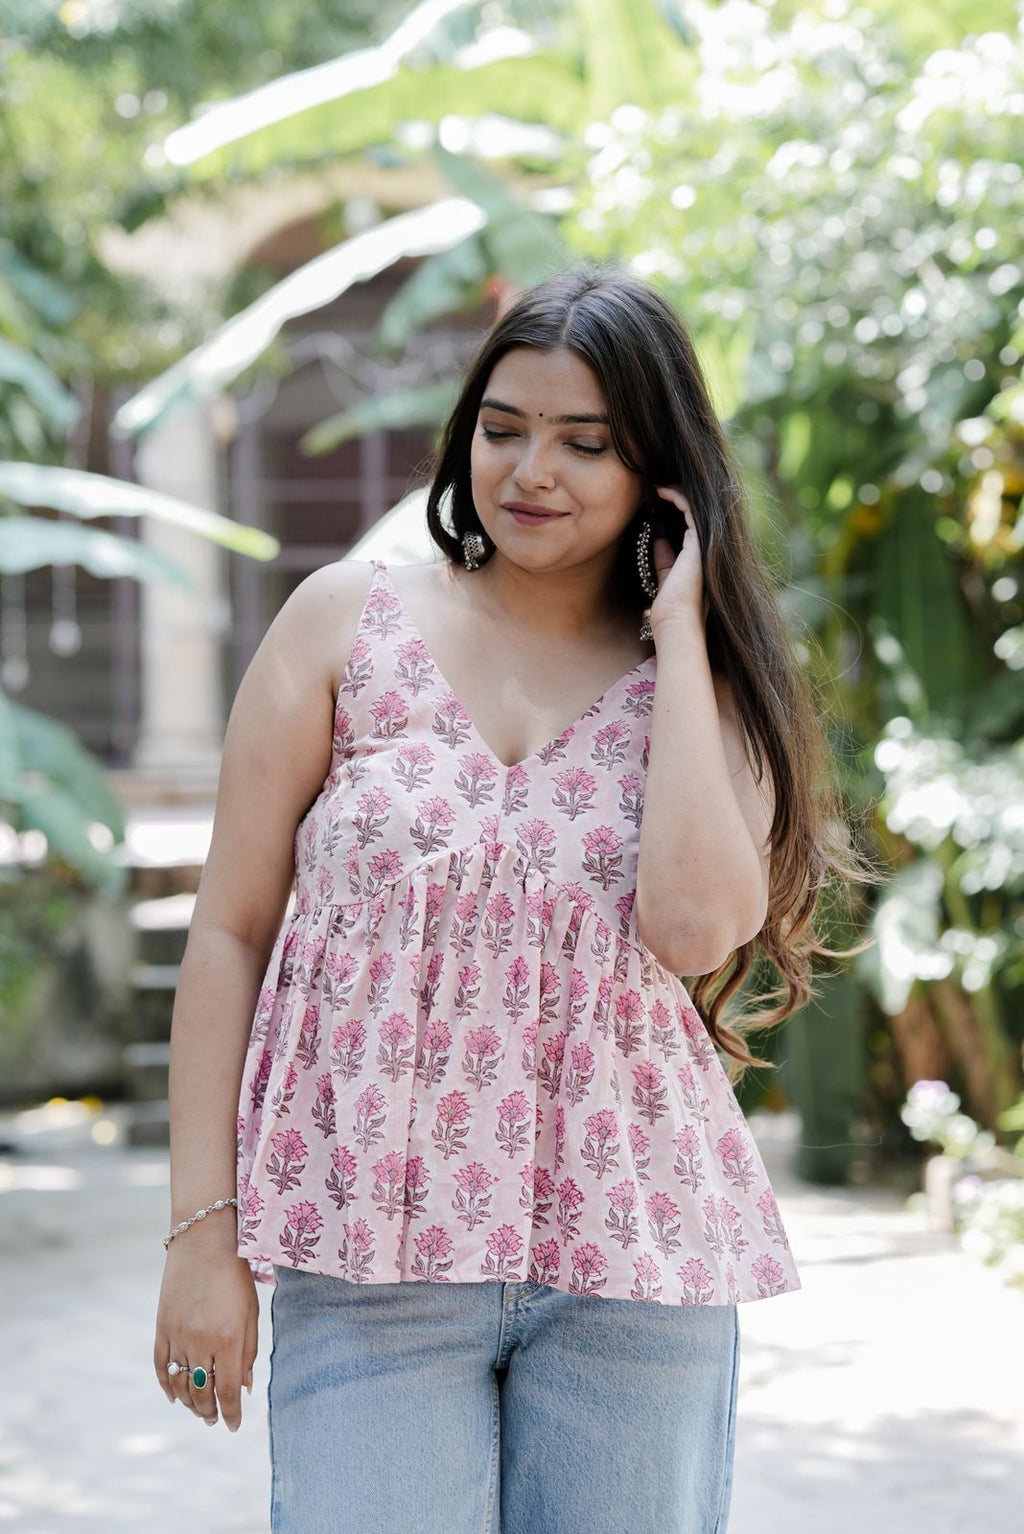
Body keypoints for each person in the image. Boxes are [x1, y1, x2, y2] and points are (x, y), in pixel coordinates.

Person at [154, 265, 857, 1533]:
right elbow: (230, 930)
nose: (533, 471)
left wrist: (681, 631)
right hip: (369, 1261)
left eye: (586, 442)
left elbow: (695, 930)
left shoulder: (706, 684)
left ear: (662, 470)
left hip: (635, 1264)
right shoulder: (344, 621)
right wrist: (203, 1234)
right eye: (503, 427)